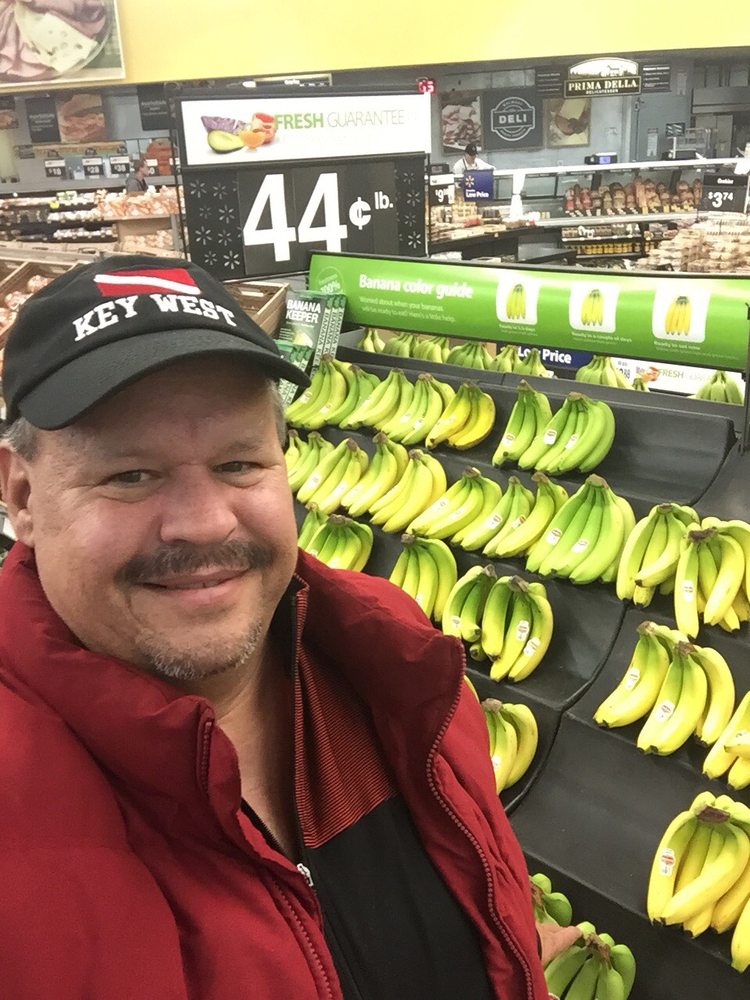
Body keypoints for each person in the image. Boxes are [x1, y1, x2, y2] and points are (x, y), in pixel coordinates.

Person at [0, 255, 577, 999]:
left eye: (239, 463)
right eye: (130, 475)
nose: (205, 522)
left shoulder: (396, 663)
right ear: (22, 496)